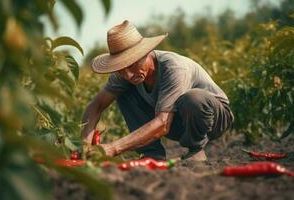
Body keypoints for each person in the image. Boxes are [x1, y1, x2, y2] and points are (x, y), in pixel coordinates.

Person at [81, 20, 234, 161]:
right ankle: (151, 154)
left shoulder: (173, 67)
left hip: (214, 119)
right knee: (123, 93)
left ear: (145, 53)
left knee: (192, 98)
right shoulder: (124, 75)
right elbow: (97, 105)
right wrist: (84, 144)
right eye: (121, 69)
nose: (127, 75)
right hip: (177, 121)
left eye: (132, 65)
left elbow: (163, 123)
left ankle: (196, 149)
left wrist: (114, 147)